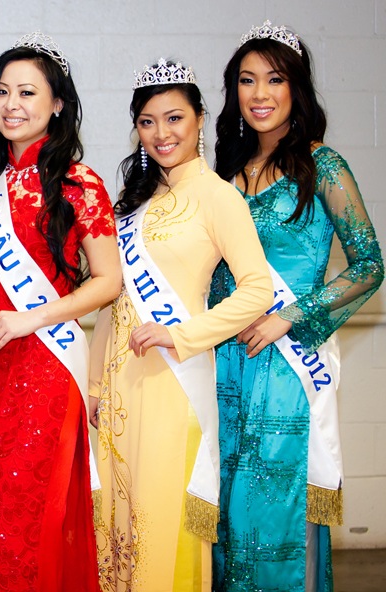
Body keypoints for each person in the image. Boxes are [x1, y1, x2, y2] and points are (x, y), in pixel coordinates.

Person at [211, 22, 384, 592]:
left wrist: (293, 314)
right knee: (228, 514)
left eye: (275, 79)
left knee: (278, 508)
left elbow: (369, 266)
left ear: (297, 89)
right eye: (246, 80)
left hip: (287, 363)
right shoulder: (226, 173)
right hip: (226, 366)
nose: (259, 93)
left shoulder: (322, 165)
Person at [89, 59, 273, 591]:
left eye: (174, 118)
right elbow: (113, 301)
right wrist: (96, 384)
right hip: (121, 388)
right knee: (117, 528)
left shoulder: (219, 195)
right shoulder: (134, 205)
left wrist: (181, 333)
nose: (161, 133)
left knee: (161, 523)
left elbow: (257, 290)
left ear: (199, 120)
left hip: (175, 382)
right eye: (147, 122)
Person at [0, 33, 122, 591]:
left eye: (27, 92)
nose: (11, 104)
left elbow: (108, 281)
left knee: (26, 507)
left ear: (57, 104)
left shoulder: (80, 182)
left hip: (45, 362)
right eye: (2, 91)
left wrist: (34, 317)